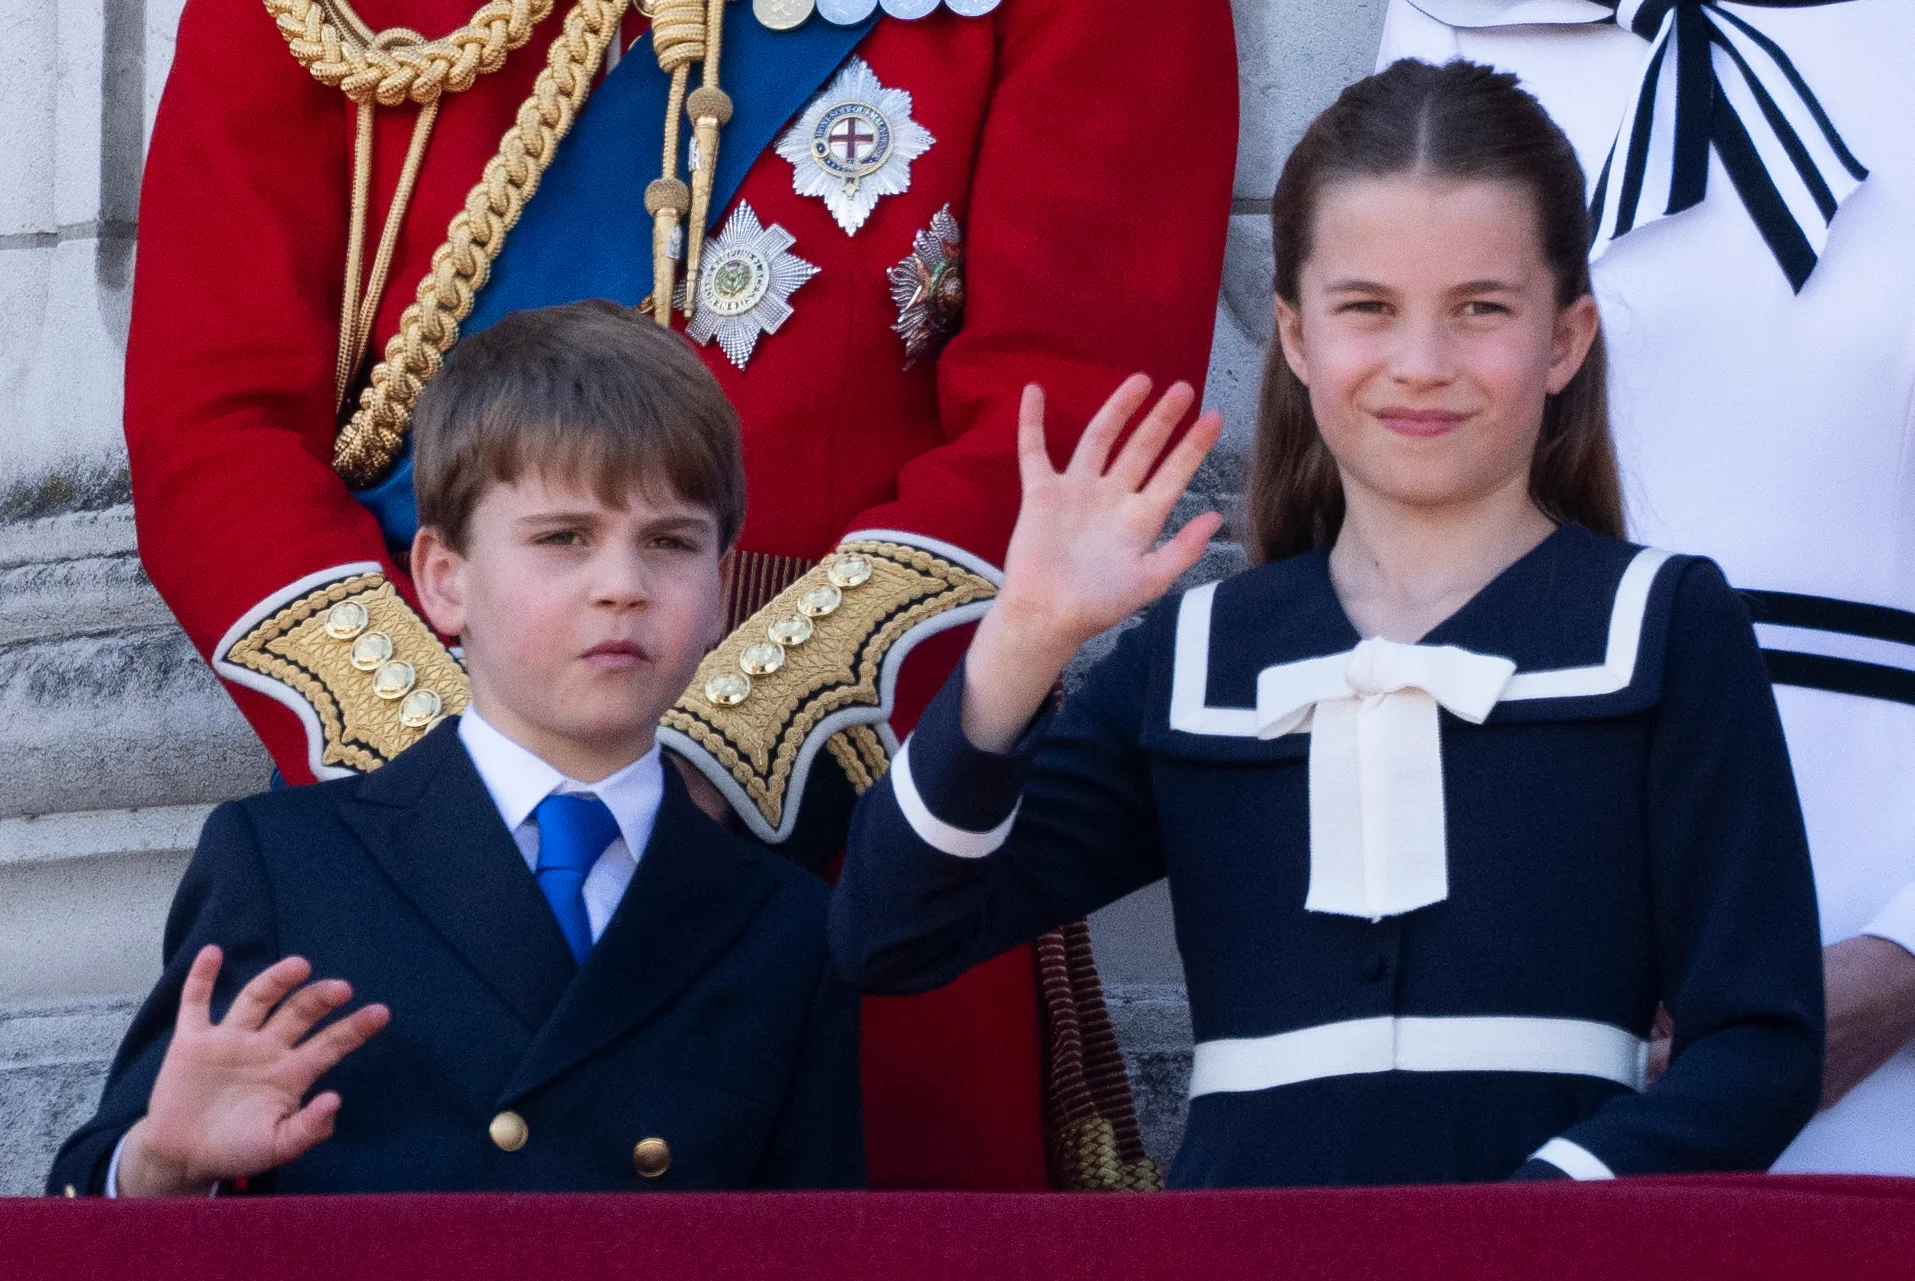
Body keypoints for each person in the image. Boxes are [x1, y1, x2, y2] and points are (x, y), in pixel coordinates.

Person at [125, 0, 1235, 1189]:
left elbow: (1062, 429)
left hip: (853, 845)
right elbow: (214, 430)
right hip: (421, 859)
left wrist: (732, 742)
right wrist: (460, 783)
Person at [830, 60, 1824, 1186]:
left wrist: (1542, 1223)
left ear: (1564, 337)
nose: (1420, 364)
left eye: (1480, 310)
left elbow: (1760, 1048)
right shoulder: (1195, 660)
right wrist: (1017, 646)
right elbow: (889, 935)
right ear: (1296, 339)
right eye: (1368, 310)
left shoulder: (1662, 627)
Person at [48, 302, 862, 1196]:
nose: (622, 587)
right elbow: (91, 1190)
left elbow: (813, 1240)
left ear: (719, 591)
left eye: (670, 543)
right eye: (564, 539)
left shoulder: (782, 923)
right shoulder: (288, 866)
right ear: (443, 579)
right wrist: (164, 1165)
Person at [1374, 0, 1915, 1180]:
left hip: (1883, 924)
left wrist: (1900, 960)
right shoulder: (1458, 21)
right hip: (1513, 918)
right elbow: (1383, 516)